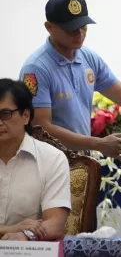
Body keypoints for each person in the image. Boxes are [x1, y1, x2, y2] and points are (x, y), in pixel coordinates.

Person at [19, 0, 121, 160]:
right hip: (49, 162)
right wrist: (98, 144)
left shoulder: (88, 57)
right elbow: (41, 128)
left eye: (83, 26)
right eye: (71, 28)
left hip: (82, 160)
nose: (80, 33)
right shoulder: (36, 68)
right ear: (49, 27)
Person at [0, 79, 70, 241]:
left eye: (5, 114)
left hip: (27, 250)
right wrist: (10, 229)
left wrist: (25, 235)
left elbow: (56, 223)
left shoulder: (51, 159)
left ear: (25, 116)